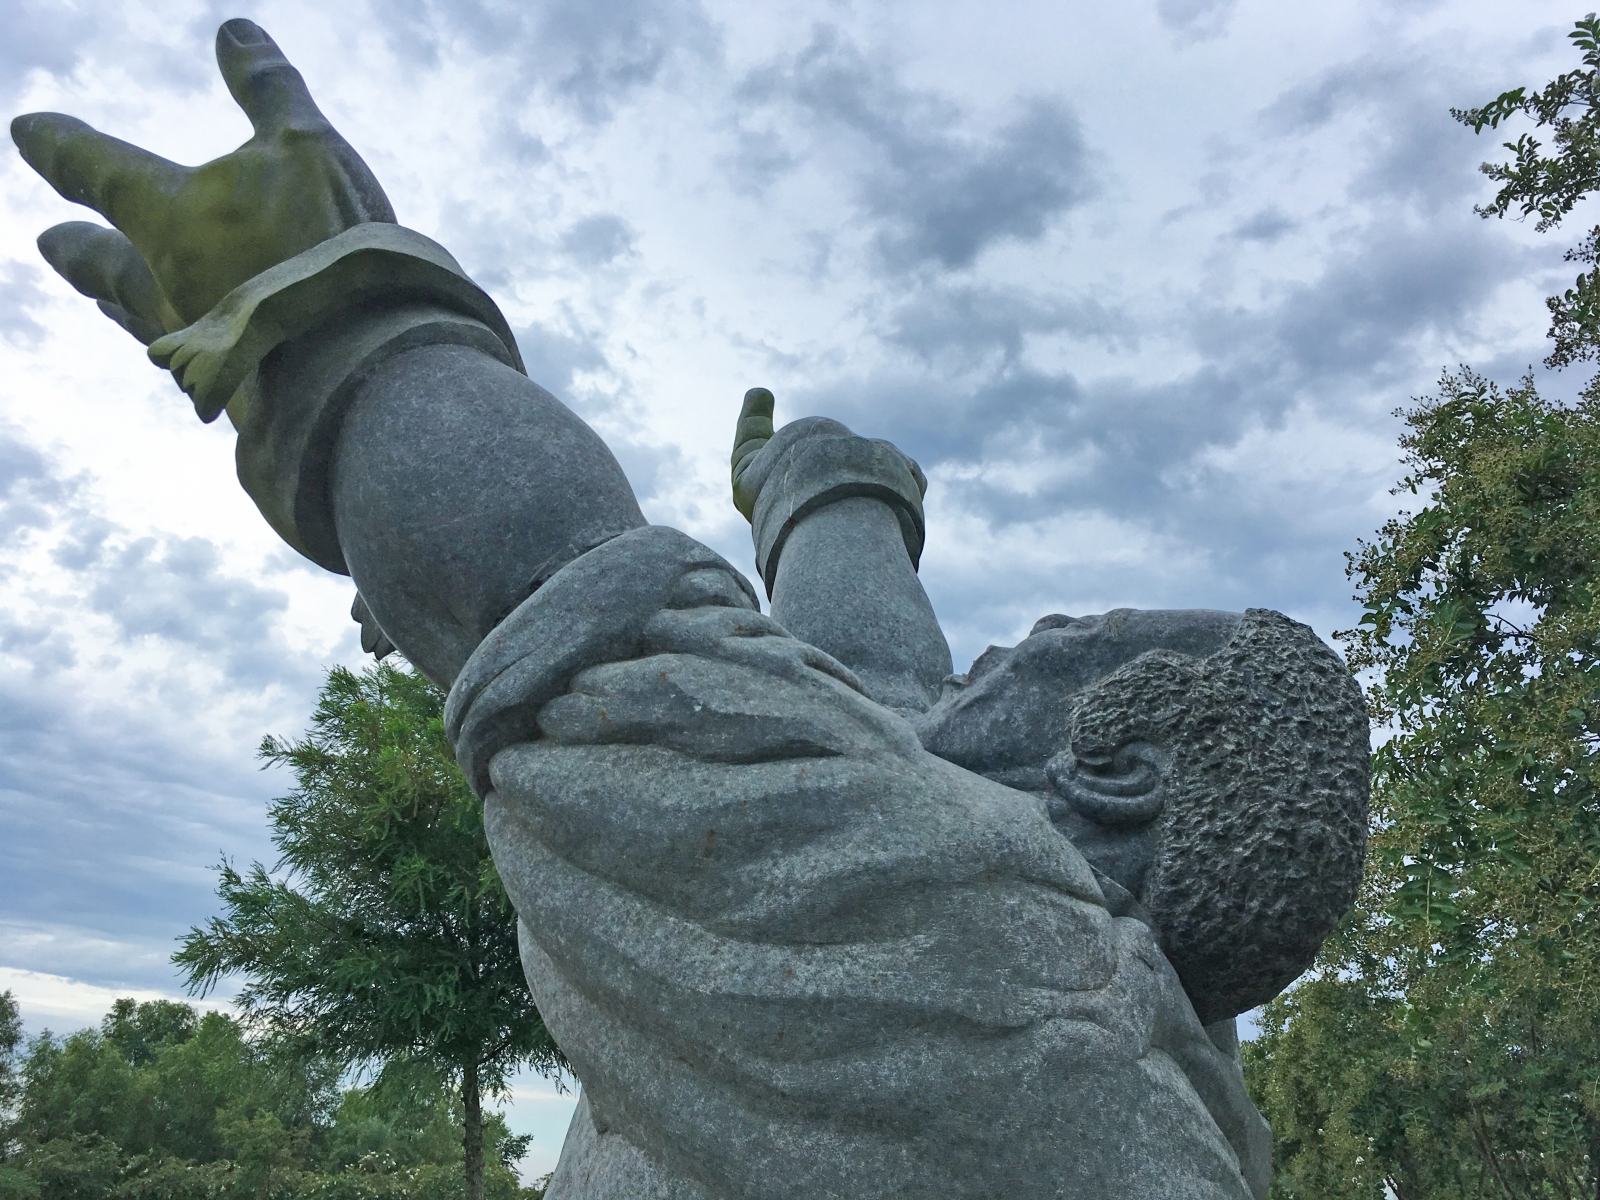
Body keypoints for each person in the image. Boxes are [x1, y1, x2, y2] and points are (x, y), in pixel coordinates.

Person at [11, 22, 1370, 1199]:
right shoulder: (1132, 1037)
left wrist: (336, 307)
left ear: (1111, 773)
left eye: (1070, 646)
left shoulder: (997, 979)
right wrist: (816, 485)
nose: (1030, 640)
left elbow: (592, 620)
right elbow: (880, 688)